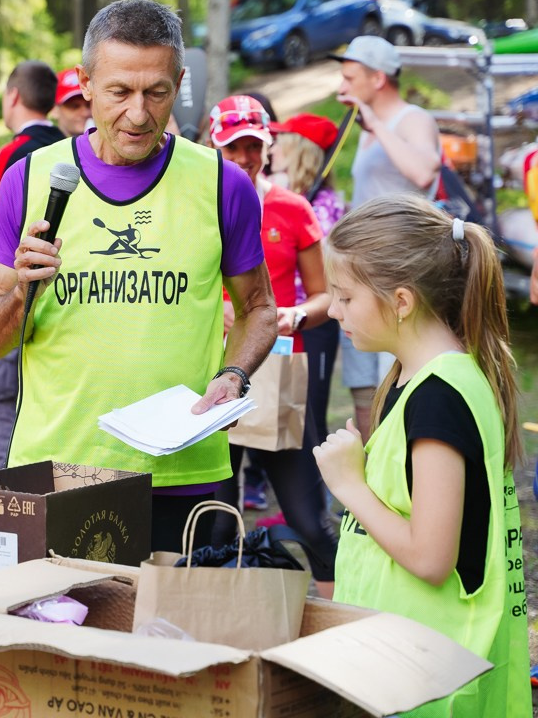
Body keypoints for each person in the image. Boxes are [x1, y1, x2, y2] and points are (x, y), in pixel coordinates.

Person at [0, 0, 277, 552]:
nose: (138, 114)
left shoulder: (221, 184)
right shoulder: (30, 179)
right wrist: (21, 290)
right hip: (60, 470)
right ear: (86, 84)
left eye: (156, 92)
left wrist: (235, 374)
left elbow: (259, 307)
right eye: (119, 92)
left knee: (176, 639)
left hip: (186, 474)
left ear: (179, 84)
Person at [315, 196, 528, 716]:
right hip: (405, 659)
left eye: (344, 297)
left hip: (428, 676)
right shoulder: (422, 380)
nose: (334, 310)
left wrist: (350, 487)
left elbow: (431, 559)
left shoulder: (438, 396)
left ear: (402, 302)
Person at [204, 97, 337, 596]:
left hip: (275, 377)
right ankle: (215, 624)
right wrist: (214, 311)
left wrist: (294, 314)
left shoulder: (292, 208)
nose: (242, 157)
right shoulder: (195, 205)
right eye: (231, 147)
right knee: (215, 523)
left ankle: (341, 624)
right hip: (207, 376)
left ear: (268, 146)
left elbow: (326, 295)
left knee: (309, 519)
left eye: (252, 146)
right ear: (213, 147)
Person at [332, 36, 441, 442]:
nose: (341, 85)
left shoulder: (411, 119)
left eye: (350, 76)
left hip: (398, 272)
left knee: (394, 379)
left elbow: (424, 173)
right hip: (362, 270)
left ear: (378, 78)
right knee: (364, 385)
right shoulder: (364, 127)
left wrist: (375, 124)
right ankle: (369, 472)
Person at [0, 60, 63, 468]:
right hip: (60, 298)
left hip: (12, 293)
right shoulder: (67, 147)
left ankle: (12, 482)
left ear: (13, 97)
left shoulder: (14, 153)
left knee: (2, 400)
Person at [269, 112, 344, 447]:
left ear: (299, 150)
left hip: (311, 322)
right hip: (280, 322)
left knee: (308, 411)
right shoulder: (280, 196)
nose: (272, 148)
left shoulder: (323, 206)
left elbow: (325, 274)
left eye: (281, 142)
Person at [52, 67, 92, 139]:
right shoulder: (39, 147)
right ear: (54, 110)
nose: (85, 113)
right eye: (74, 106)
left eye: (88, 105)